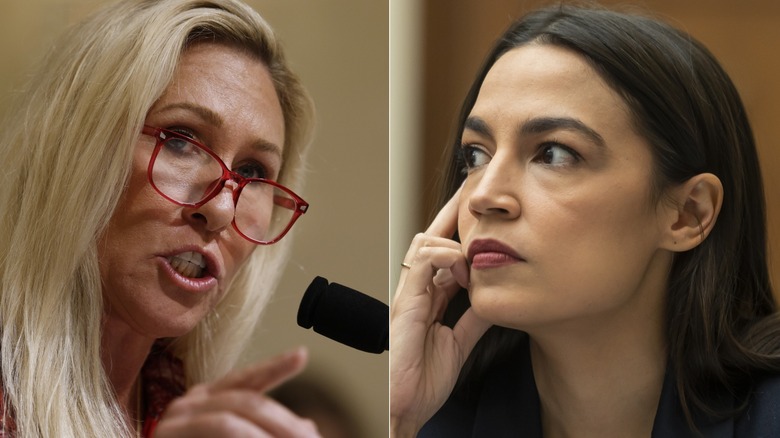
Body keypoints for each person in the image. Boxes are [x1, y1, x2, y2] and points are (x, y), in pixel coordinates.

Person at [391, 4, 780, 437]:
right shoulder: (428, 414)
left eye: (553, 153)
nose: (483, 197)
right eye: (476, 155)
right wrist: (400, 420)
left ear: (689, 214)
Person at [0, 0, 321, 436]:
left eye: (252, 172)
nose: (221, 209)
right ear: (75, 148)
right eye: (180, 139)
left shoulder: (181, 408)